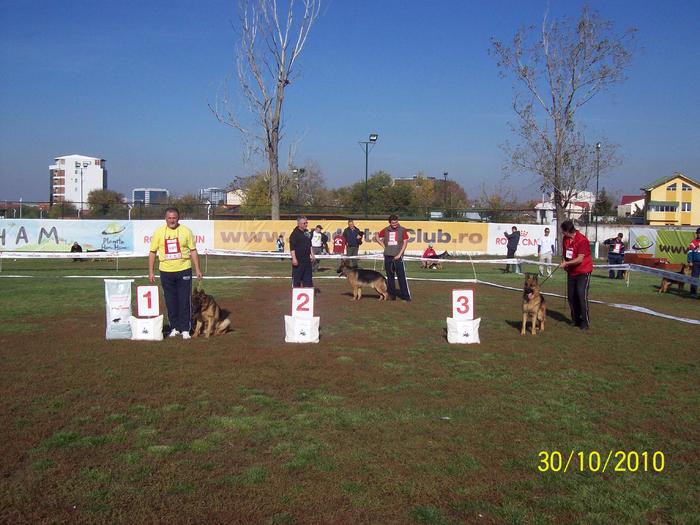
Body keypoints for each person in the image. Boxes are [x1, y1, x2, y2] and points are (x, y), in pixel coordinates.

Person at [148, 207, 203, 339]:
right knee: (170, 301)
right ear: (165, 218)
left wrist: (198, 269)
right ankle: (174, 327)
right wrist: (151, 271)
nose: (172, 220)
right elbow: (152, 252)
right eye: (169, 218)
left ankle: (185, 329)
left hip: (184, 269)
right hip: (166, 271)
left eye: (174, 218)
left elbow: (193, 251)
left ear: (178, 218)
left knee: (184, 300)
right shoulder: (159, 232)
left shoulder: (186, 231)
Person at [559, 219, 593, 330]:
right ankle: (575, 319)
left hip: (583, 271)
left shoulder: (582, 240)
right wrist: (564, 261)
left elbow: (579, 259)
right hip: (571, 272)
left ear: (568, 231)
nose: (562, 233)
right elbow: (565, 253)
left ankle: (585, 322)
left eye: (563, 231)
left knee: (581, 296)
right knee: (571, 297)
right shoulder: (565, 239)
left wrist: (566, 263)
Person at [376, 214, 411, 301]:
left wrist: (399, 254)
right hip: (388, 256)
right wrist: (384, 246)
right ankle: (392, 295)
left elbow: (405, 242)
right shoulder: (386, 230)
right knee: (390, 277)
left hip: (398, 257)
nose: (395, 224)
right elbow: (377, 236)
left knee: (401, 277)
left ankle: (406, 296)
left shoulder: (402, 230)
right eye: (393, 223)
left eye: (396, 222)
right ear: (390, 223)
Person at [289, 216, 315, 288]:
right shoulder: (294, 234)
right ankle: (296, 295)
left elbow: (310, 245)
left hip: (307, 260)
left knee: (308, 280)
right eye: (304, 223)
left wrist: (312, 255)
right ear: (299, 224)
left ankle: (307, 294)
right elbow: (292, 248)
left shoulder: (307, 233)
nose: (306, 224)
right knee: (297, 280)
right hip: (298, 261)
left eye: (306, 223)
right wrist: (294, 258)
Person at [687, 227, 700, 299]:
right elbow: (690, 252)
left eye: (699, 233)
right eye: (698, 233)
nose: (699, 235)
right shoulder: (693, 242)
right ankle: (693, 293)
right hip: (696, 263)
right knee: (694, 278)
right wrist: (690, 261)